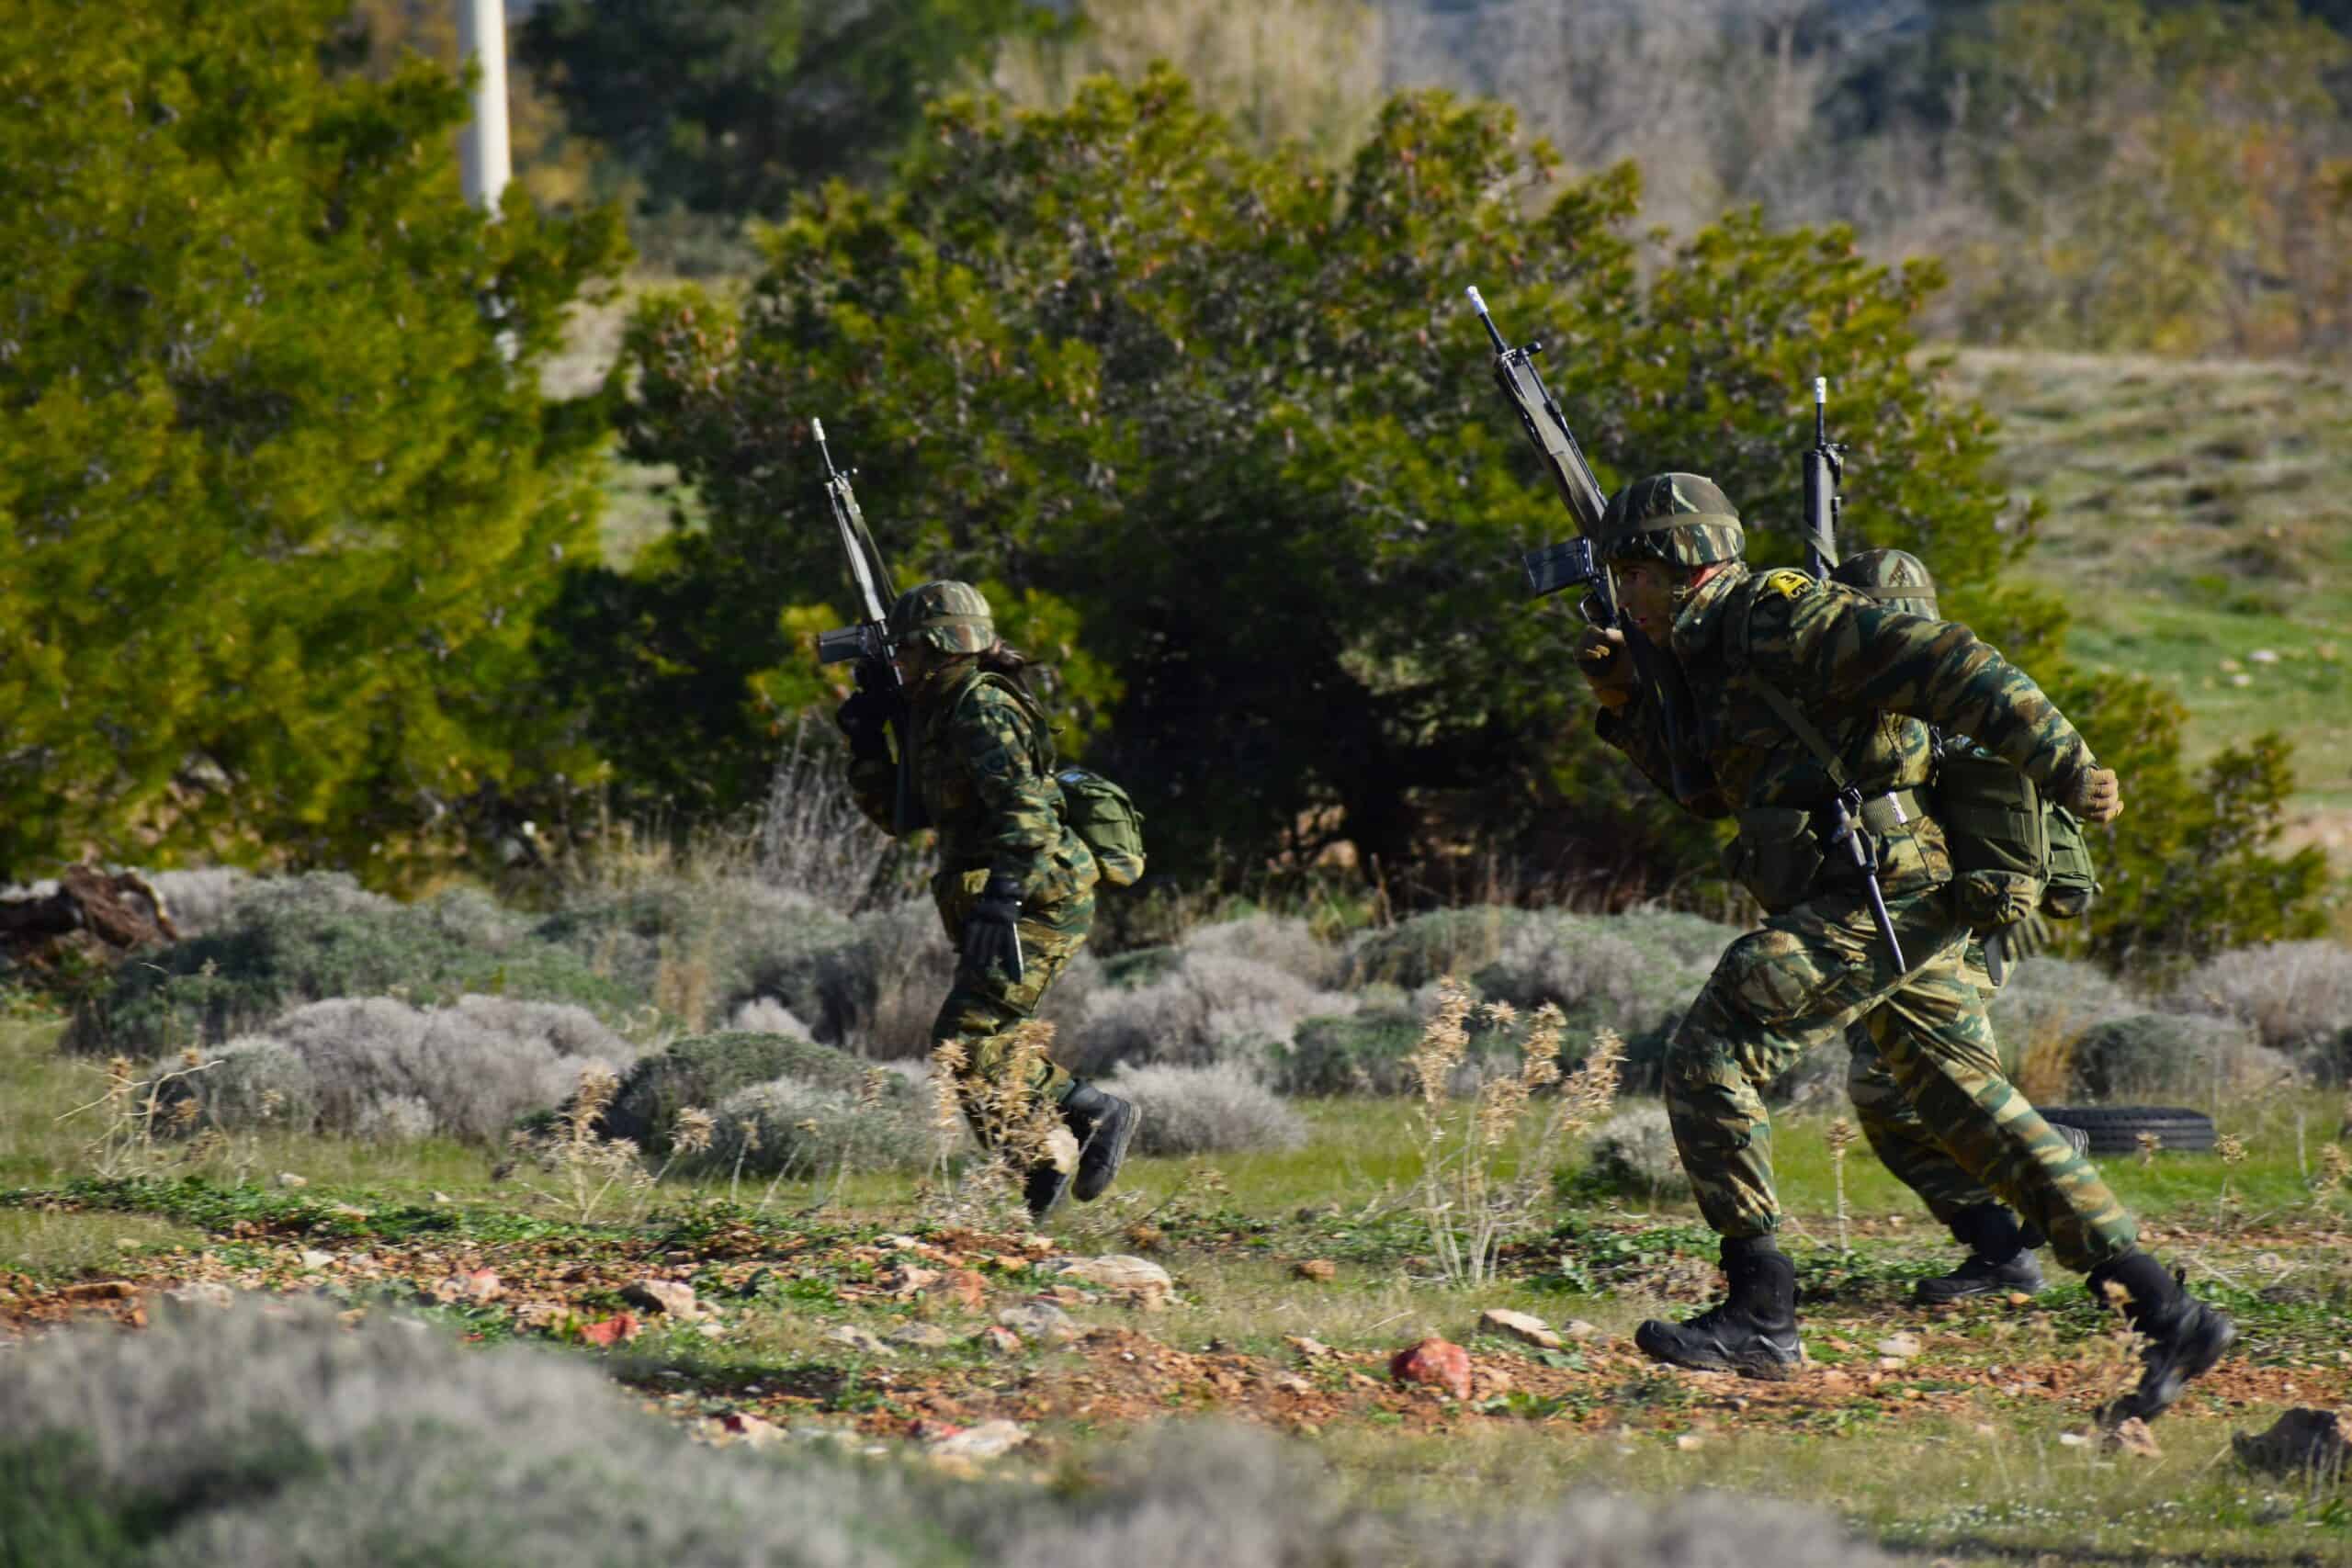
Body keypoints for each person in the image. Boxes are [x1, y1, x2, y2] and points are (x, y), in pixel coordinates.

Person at [1576, 474, 2231, 1426]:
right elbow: (1706, 792)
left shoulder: (1773, 616)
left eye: (1632, 573)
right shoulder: (1703, 654)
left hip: (1883, 891)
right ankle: (2167, 1313)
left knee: (1714, 1049)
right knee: (1969, 1111)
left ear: (1681, 566)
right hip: (1868, 896)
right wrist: (1624, 700)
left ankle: (1761, 1312)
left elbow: (1947, 660)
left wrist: (2067, 762)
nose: (1623, 596)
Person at [1831, 548, 2087, 1305]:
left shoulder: (1934, 692)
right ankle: (2000, 1245)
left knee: (1911, 1084)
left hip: (1963, 919)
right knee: (1886, 1090)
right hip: (1925, 916)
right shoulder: (1901, 685)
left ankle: (2053, 1193)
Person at [834, 580, 1136, 1221]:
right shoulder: (935, 712)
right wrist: (867, 743)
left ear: (938, 646)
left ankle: (1093, 1110)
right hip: (1001, 897)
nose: (900, 663)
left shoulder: (979, 708)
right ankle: (1036, 1165)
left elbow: (1025, 806)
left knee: (965, 1038)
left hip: (1036, 895)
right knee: (982, 1043)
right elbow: (905, 813)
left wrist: (1002, 898)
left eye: (907, 649)